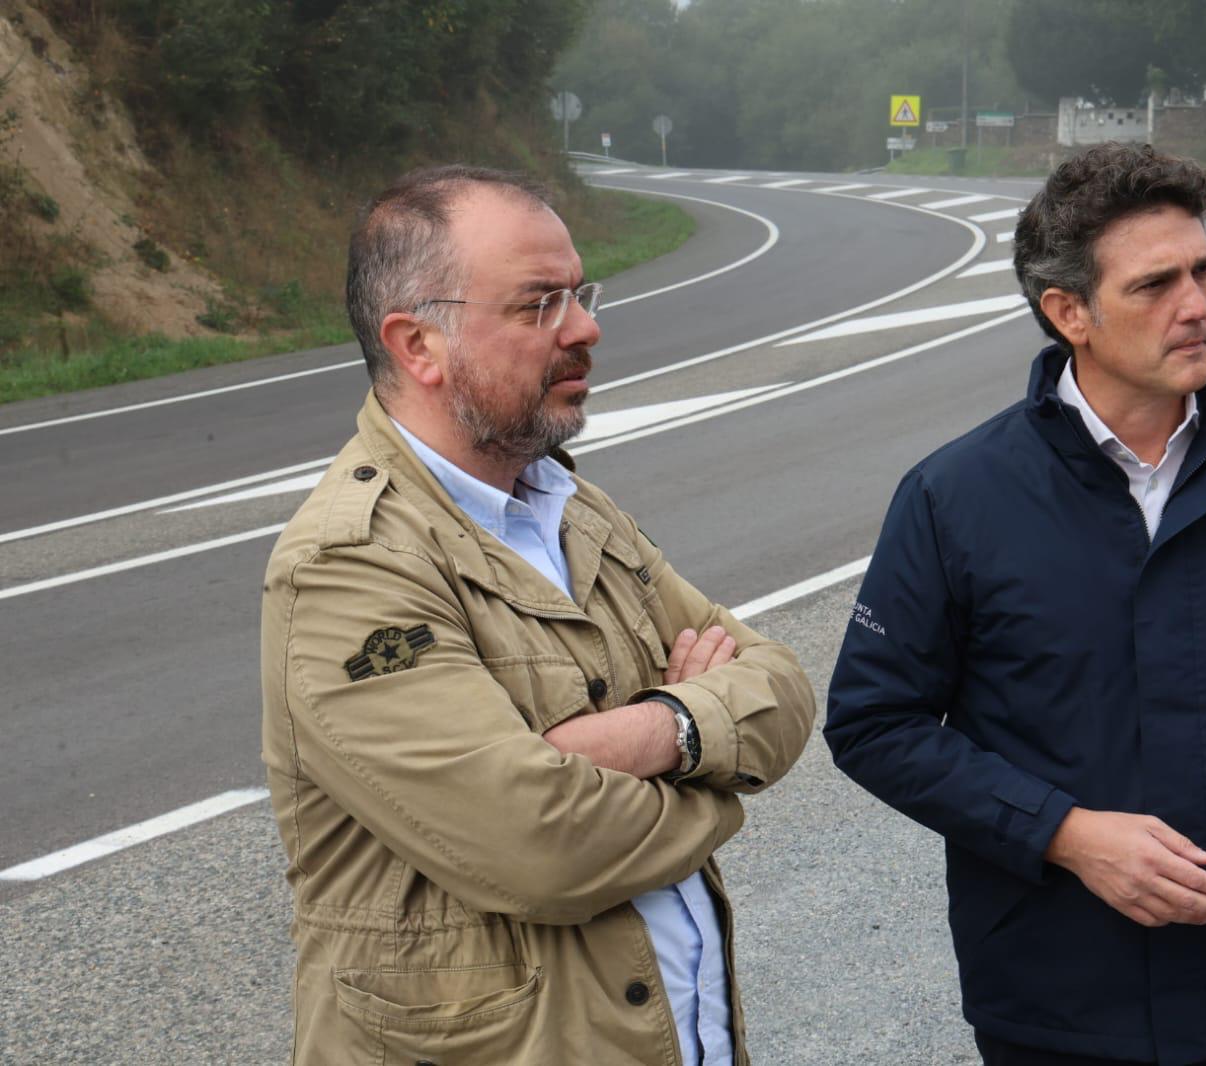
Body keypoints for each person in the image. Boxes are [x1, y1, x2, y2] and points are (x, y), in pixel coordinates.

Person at [824, 143, 1206, 1066]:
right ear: (1068, 312)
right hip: (1055, 1003)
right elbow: (875, 723)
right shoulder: (956, 496)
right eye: (1154, 285)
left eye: (1202, 271)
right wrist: (1063, 835)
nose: (1196, 305)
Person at [260, 165, 815, 1065]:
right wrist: (715, 784)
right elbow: (539, 845)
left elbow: (780, 686)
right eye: (538, 305)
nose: (585, 328)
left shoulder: (568, 506)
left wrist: (660, 731)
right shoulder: (350, 565)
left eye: (580, 295)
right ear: (418, 345)